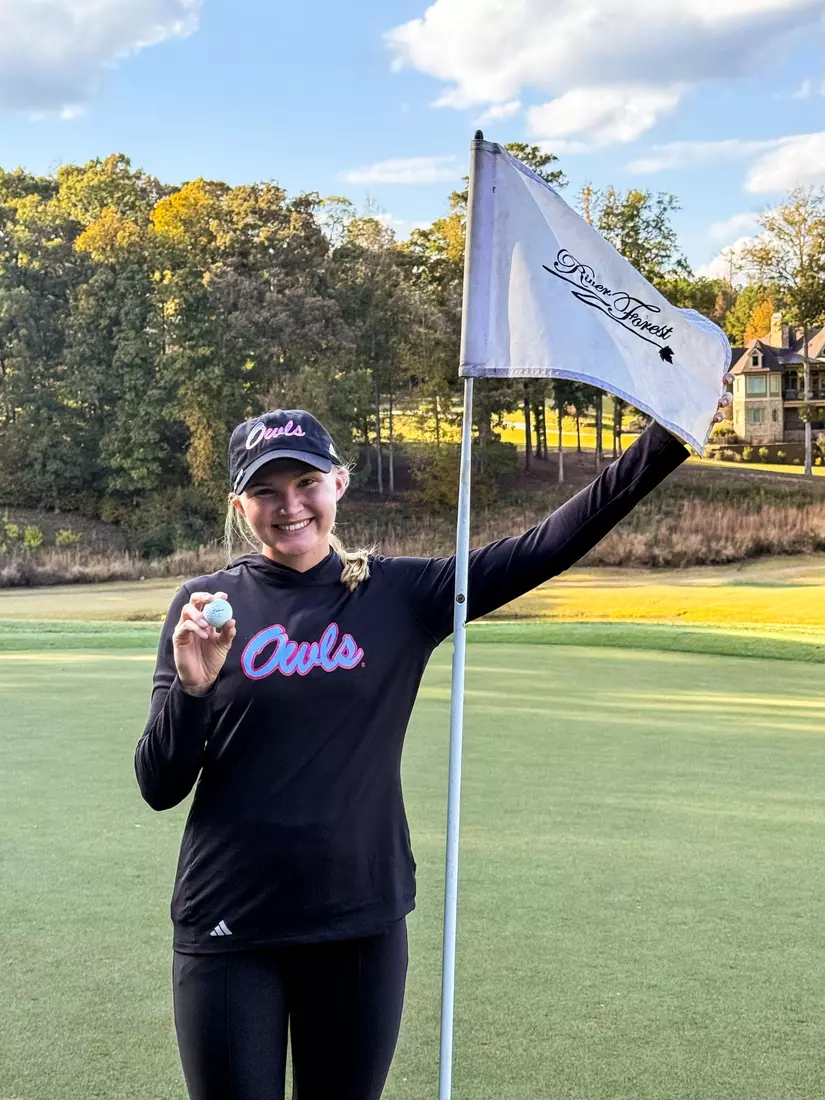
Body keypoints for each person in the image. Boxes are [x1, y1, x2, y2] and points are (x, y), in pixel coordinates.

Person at [135, 392, 729, 1100]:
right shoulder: (203, 607)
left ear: (338, 485)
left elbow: (546, 546)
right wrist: (193, 689)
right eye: (265, 491)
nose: (289, 505)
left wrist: (665, 440)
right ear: (240, 506)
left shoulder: (401, 595)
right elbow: (159, 784)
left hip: (358, 920)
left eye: (305, 484)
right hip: (230, 924)